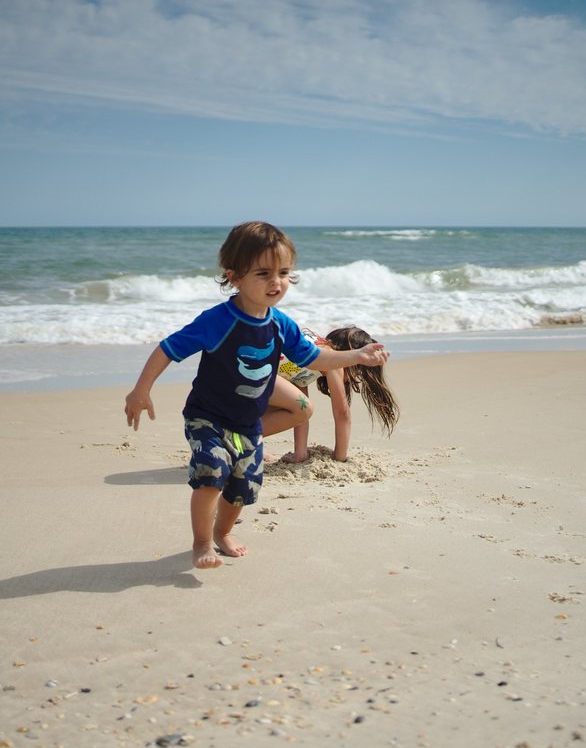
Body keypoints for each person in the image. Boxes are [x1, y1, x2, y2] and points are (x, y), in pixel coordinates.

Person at [123, 221, 390, 570]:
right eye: (263, 273)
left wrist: (356, 356)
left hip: (248, 424)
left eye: (283, 272)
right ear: (234, 277)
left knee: (241, 488)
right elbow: (168, 348)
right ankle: (201, 542)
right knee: (211, 473)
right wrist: (141, 389)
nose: (276, 282)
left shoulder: (281, 324)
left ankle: (223, 532)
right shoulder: (218, 321)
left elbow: (314, 358)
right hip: (208, 416)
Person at [267, 326, 399, 463]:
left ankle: (248, 442)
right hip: (253, 374)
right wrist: (339, 457)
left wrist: (300, 455)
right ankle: (245, 439)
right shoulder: (333, 360)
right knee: (302, 406)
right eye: (357, 370)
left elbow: (301, 415)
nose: (353, 378)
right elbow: (342, 414)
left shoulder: (309, 358)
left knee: (299, 406)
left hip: (253, 372)